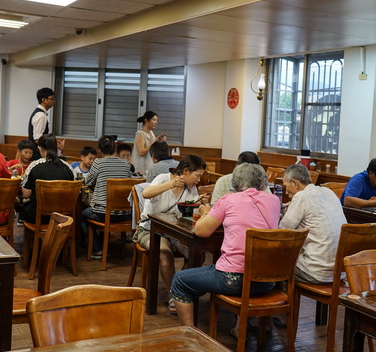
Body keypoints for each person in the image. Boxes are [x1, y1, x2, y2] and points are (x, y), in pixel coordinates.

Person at [170, 163, 280, 327]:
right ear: (262, 183)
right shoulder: (274, 201)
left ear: (234, 183)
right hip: (267, 281)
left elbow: (201, 231)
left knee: (179, 281)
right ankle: (243, 325)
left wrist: (206, 213)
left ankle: (190, 334)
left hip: (233, 280)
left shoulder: (229, 199)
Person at [135, 155, 207, 314]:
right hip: (149, 229)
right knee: (165, 254)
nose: (198, 180)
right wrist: (170, 184)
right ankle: (174, 294)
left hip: (175, 231)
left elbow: (187, 213)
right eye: (197, 175)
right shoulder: (163, 178)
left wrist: (197, 205)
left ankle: (180, 287)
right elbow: (146, 193)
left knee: (198, 255)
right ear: (186, 171)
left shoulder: (191, 189)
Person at [279, 164, 346, 284]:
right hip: (339, 272)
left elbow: (283, 230)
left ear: (295, 183)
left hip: (315, 271)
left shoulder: (301, 196)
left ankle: (282, 301)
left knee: (274, 266)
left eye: (286, 186)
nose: (286, 191)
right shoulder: (329, 192)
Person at [83, 136, 132, 259]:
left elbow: (87, 182)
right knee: (99, 211)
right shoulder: (126, 163)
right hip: (124, 213)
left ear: (99, 150)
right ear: (115, 149)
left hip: (103, 214)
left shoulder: (98, 163)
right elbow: (129, 182)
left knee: (82, 214)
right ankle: (102, 245)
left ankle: (96, 248)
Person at [21, 135, 75, 224]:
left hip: (38, 216)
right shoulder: (68, 167)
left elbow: (26, 194)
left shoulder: (34, 166)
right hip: (63, 217)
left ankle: (32, 238)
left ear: (39, 148)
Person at [131, 111, 165, 176]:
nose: (156, 122)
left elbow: (153, 147)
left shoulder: (151, 133)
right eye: (154, 120)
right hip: (140, 166)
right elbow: (141, 152)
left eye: (156, 120)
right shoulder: (140, 134)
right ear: (146, 120)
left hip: (149, 164)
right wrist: (154, 142)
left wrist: (160, 141)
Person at [28, 87, 55, 160]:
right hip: (37, 153)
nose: (54, 101)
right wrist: (51, 143)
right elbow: (37, 138)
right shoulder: (41, 115)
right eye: (51, 99)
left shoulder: (40, 113)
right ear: (44, 100)